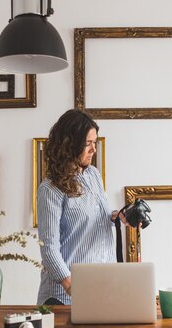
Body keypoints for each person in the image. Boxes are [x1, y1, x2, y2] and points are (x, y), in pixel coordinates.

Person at [36, 109, 125, 305]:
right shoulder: (50, 189)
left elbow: (95, 216)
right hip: (63, 297)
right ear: (69, 145)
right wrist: (72, 288)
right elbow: (49, 248)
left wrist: (117, 216)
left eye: (95, 142)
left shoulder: (93, 175)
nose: (94, 149)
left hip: (100, 290)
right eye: (88, 144)